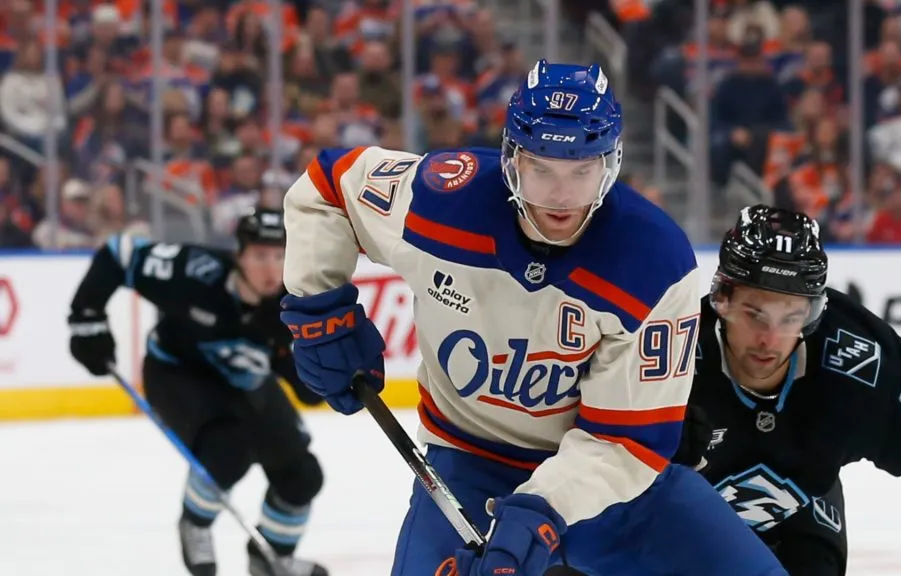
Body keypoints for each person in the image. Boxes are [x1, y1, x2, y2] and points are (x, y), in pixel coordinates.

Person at [278, 59, 787, 575]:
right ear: (512, 159)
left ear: (609, 163)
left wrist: (542, 507)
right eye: (541, 166)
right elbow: (328, 189)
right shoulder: (440, 200)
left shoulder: (653, 263)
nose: (560, 194)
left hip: (615, 492)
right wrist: (319, 311)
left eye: (581, 170)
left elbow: (628, 442)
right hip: (468, 465)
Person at [674, 204, 901, 575]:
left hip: (797, 521)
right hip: (673, 529)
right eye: (754, 314)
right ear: (722, 299)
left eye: (792, 317)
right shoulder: (668, 358)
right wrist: (645, 456)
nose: (770, 340)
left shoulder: (856, 365)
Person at [66, 209, 328, 576]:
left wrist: (325, 375)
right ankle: (196, 523)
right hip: (178, 373)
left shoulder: (294, 301)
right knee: (227, 452)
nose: (271, 269)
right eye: (259, 255)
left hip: (245, 380)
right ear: (238, 255)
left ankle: (270, 557)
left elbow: (306, 385)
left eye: (280, 255)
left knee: (302, 475)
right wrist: (86, 317)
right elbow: (118, 252)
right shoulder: (193, 272)